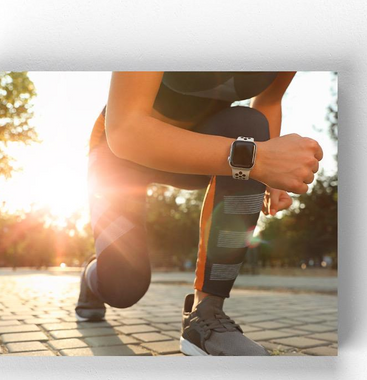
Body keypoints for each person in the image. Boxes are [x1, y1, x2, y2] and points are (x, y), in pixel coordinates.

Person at [76, 72, 323, 356]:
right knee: (122, 288)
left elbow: (268, 102)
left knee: (248, 125)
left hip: (203, 146)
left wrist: (269, 173)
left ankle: (205, 317)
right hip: (119, 150)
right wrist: (257, 158)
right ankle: (92, 276)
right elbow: (125, 131)